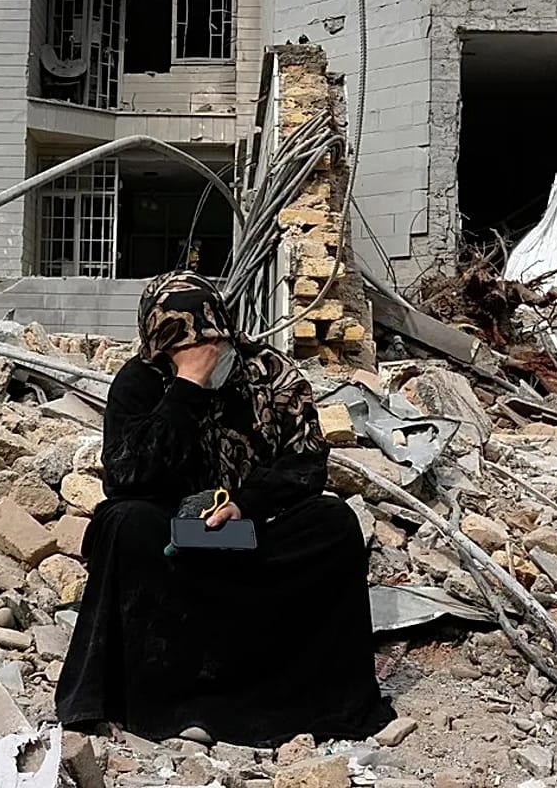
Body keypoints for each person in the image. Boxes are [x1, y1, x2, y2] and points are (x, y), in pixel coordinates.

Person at [56, 272, 394, 747]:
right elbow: (126, 477)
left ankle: (312, 701)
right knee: (124, 523)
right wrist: (188, 387)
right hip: (174, 546)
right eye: (184, 347)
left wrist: (245, 504)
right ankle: (163, 704)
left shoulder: (270, 374)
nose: (205, 353)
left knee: (333, 523)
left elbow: (306, 463)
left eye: (211, 342)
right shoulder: (138, 383)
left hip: (253, 536)